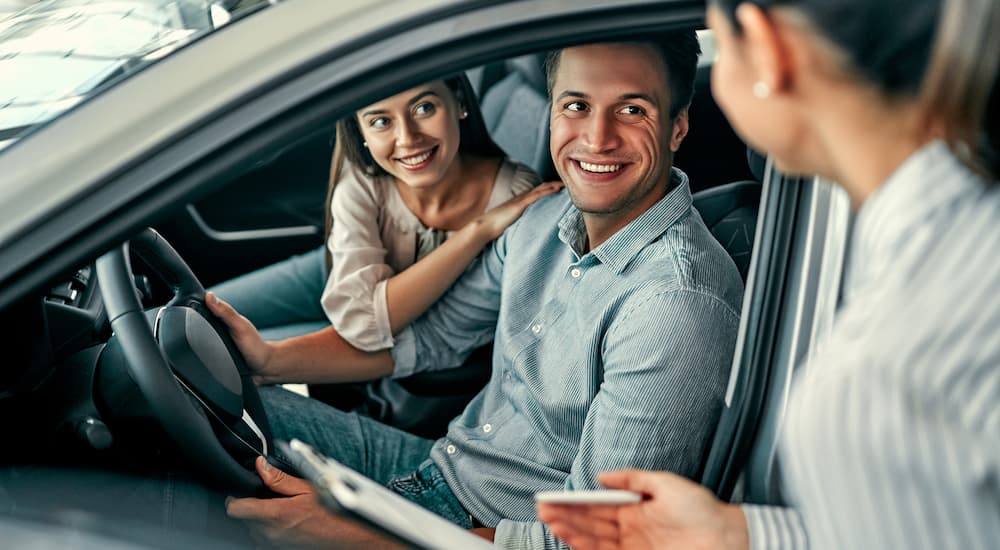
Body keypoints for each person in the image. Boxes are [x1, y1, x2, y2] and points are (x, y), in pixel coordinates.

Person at [210, 31, 745, 550]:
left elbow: (589, 543)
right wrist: (269, 361)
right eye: (576, 106)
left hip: (481, 529)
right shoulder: (543, 220)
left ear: (677, 127)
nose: (597, 138)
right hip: (435, 468)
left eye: (632, 110)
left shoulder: (675, 307)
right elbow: (433, 339)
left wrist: (360, 538)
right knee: (204, 398)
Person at [537, 0, 1000, 548]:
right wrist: (742, 534)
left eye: (724, 45)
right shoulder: (960, 241)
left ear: (766, 47)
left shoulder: (881, 372)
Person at [211, 74, 560, 435]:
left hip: (410, 322)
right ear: (360, 130)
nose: (407, 138)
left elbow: (370, 327)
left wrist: (272, 359)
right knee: (200, 314)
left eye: (424, 108)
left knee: (224, 361)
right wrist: (476, 232)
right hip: (341, 268)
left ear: (458, 103)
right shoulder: (362, 179)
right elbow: (360, 315)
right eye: (381, 121)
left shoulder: (515, 198)